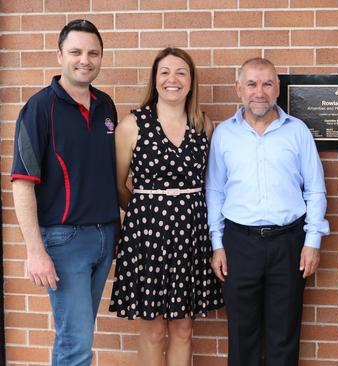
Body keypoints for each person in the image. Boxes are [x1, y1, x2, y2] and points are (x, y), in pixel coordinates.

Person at [206, 57, 329, 366]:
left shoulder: (297, 132)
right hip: (239, 243)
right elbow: (215, 192)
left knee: (284, 335)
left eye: (266, 84)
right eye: (251, 84)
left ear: (277, 89)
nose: (258, 92)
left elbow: (315, 188)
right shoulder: (224, 135)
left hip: (288, 244)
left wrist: (312, 241)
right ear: (238, 89)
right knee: (241, 334)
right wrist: (217, 244)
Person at [11, 19, 118, 365]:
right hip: (64, 241)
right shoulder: (39, 109)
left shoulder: (106, 106)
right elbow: (22, 183)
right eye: (75, 52)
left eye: (92, 53)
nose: (84, 60)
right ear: (59, 55)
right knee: (76, 345)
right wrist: (35, 251)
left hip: (104, 236)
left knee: (75, 337)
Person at [108, 47, 224, 366]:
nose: (172, 80)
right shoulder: (132, 125)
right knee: (154, 330)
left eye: (180, 73)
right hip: (147, 237)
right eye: (164, 73)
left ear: (191, 82)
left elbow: (213, 184)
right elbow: (119, 186)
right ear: (155, 80)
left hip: (191, 237)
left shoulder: (204, 126)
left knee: (184, 328)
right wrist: (150, 214)